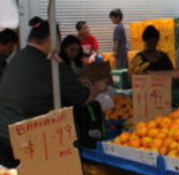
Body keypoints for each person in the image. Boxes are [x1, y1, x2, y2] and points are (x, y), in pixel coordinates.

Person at [0, 17, 108, 167]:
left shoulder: (18, 57)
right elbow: (83, 98)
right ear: (51, 38)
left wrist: (75, 83)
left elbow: (38, 87)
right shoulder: (52, 65)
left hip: (5, 134)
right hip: (30, 142)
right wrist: (98, 87)